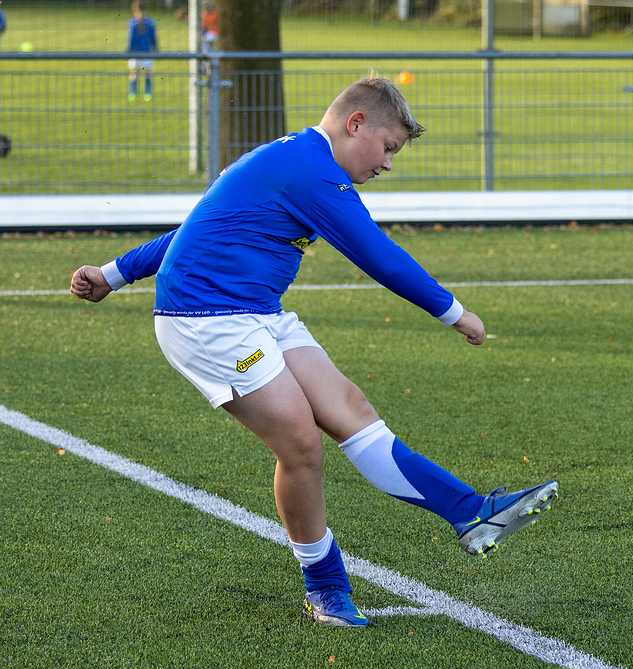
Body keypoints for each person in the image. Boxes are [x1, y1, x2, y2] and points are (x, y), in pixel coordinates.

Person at [69, 77, 558, 628]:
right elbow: (377, 253)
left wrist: (112, 274)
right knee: (301, 441)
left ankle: (471, 513)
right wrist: (453, 311)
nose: (388, 165)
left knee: (352, 411)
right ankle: (325, 587)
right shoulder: (312, 171)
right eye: (388, 148)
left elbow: (194, 229)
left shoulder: (298, 161)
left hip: (259, 314)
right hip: (206, 323)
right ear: (355, 124)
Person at [126, 1, 158, 103]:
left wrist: (155, 48)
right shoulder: (132, 24)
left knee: (147, 74)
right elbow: (130, 39)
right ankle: (133, 94)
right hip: (136, 53)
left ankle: (147, 94)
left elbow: (153, 38)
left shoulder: (150, 24)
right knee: (134, 74)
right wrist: (129, 50)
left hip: (146, 53)